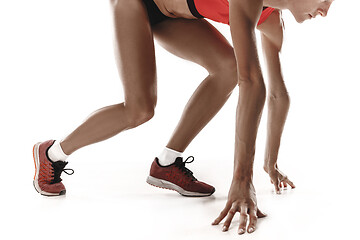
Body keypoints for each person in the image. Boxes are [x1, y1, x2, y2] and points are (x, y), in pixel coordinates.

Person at [32, 0, 333, 234]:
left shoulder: (274, 22)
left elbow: (278, 93)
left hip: (176, 15)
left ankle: (165, 164)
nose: (325, 11)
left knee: (227, 67)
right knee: (139, 109)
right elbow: (252, 82)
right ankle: (51, 153)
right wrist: (242, 180)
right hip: (137, 3)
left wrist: (271, 163)